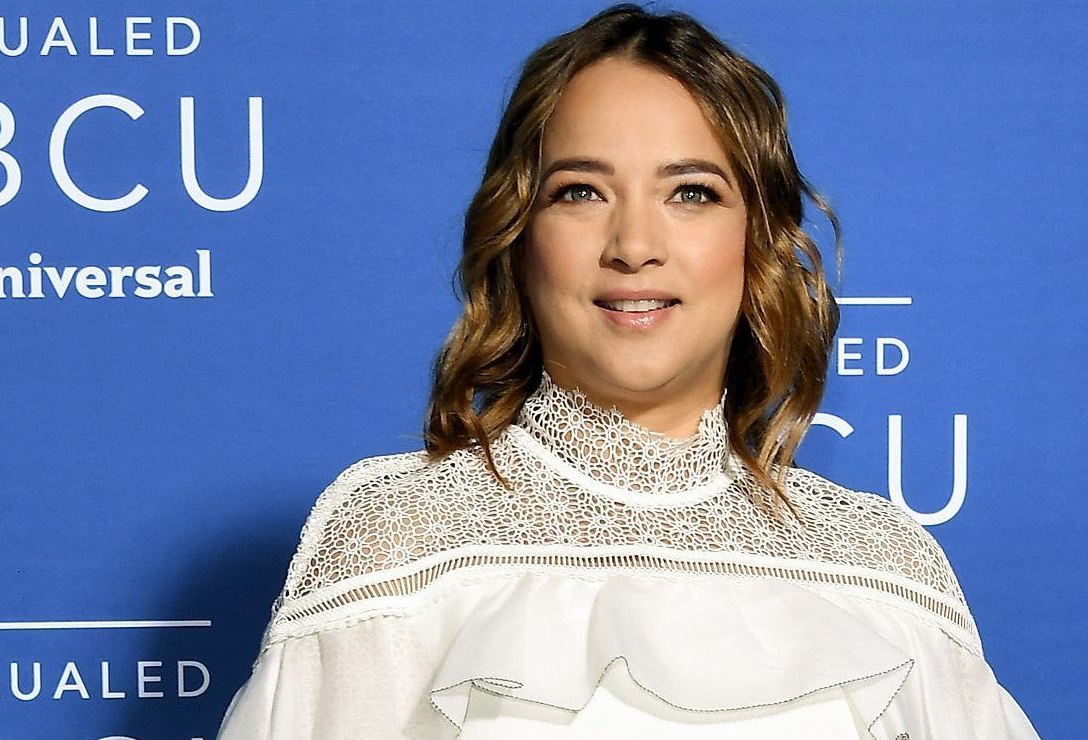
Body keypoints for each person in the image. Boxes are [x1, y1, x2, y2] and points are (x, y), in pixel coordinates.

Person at [216, 4, 1041, 738]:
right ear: (519, 235)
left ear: (756, 240)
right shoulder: (398, 544)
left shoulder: (884, 569)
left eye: (691, 193)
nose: (635, 245)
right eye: (580, 192)